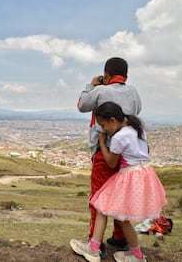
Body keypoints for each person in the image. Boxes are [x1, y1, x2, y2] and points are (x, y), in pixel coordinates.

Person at [70, 101, 167, 262]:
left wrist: (101, 141)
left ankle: (95, 249)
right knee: (117, 215)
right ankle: (134, 254)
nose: (104, 129)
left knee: (103, 207)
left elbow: (111, 162)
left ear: (113, 120)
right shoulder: (137, 128)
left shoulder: (119, 137)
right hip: (145, 174)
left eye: (103, 125)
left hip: (129, 177)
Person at [73, 57, 141, 254]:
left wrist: (90, 86)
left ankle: (96, 243)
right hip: (126, 155)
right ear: (126, 76)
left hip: (105, 153)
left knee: (99, 198)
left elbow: (82, 105)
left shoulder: (100, 90)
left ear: (106, 75)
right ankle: (120, 240)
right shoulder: (134, 92)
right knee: (120, 198)